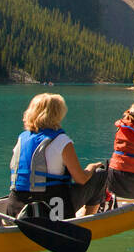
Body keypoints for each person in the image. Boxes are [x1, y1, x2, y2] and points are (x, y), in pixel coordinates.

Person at [9, 92, 107, 220]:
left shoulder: (22, 138)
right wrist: (91, 167)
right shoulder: (62, 141)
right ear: (57, 114)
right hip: (50, 207)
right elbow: (81, 179)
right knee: (100, 174)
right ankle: (87, 220)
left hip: (16, 206)